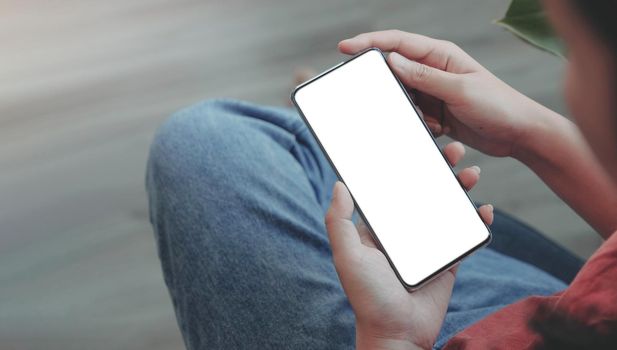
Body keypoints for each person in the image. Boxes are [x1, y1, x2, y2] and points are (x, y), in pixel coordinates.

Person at [146, 0, 617, 348]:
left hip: (456, 333)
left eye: (573, 50)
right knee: (324, 153)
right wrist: (527, 131)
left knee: (207, 138)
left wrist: (391, 336)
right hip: (575, 301)